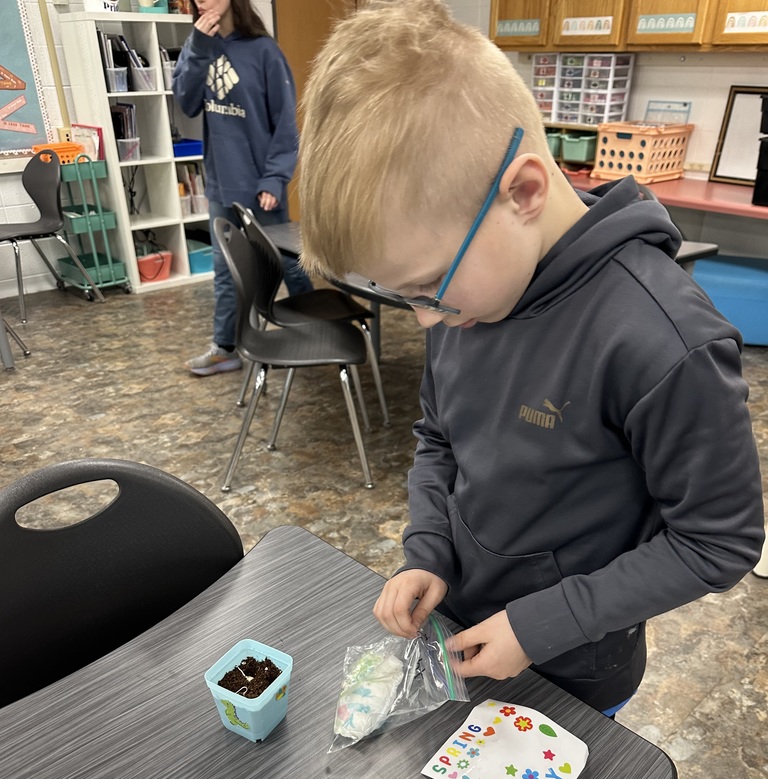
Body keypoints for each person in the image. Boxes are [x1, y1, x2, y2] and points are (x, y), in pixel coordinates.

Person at [297, 0, 765, 715]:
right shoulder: (470, 289)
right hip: (463, 622)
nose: (424, 317)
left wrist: (539, 626)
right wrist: (428, 551)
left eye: (428, 287)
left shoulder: (665, 342)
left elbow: (717, 541)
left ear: (523, 192)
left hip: (577, 668)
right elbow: (438, 437)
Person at [173, 0, 312, 377]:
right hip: (221, 184)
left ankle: (316, 329)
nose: (202, 0)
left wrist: (274, 178)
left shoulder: (265, 52)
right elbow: (185, 105)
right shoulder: (197, 45)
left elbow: (285, 123)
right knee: (225, 270)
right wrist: (199, 47)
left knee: (285, 264)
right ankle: (225, 347)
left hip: (260, 187)